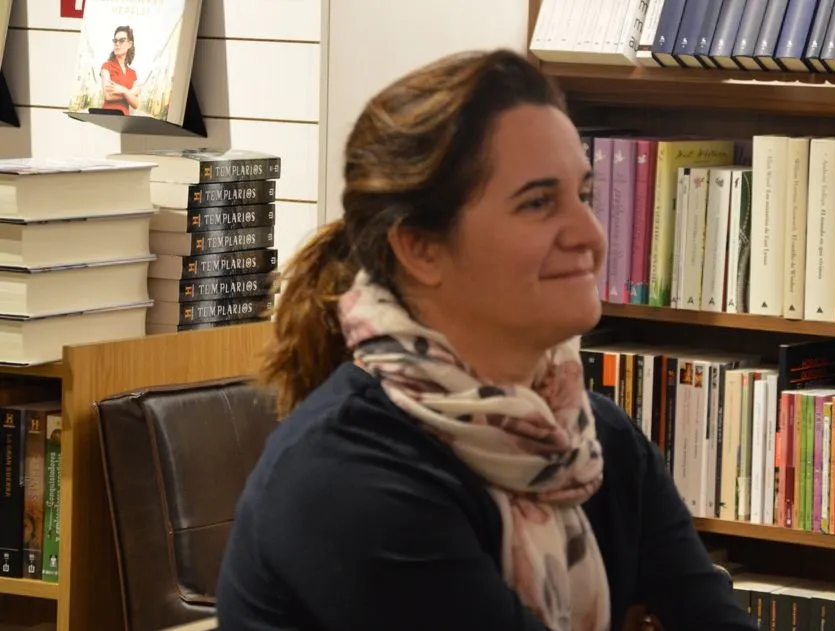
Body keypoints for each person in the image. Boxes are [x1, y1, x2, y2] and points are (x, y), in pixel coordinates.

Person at [215, 49, 756, 631]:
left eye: (584, 196)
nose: (590, 234)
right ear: (420, 248)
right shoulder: (345, 476)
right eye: (538, 203)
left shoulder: (594, 441)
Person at [100, 26, 140, 115]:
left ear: (129, 44)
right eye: (115, 41)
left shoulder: (133, 73)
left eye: (121, 41)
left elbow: (136, 104)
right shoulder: (106, 66)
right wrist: (129, 93)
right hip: (107, 116)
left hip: (124, 119)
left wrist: (123, 91)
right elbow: (108, 96)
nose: (117, 44)